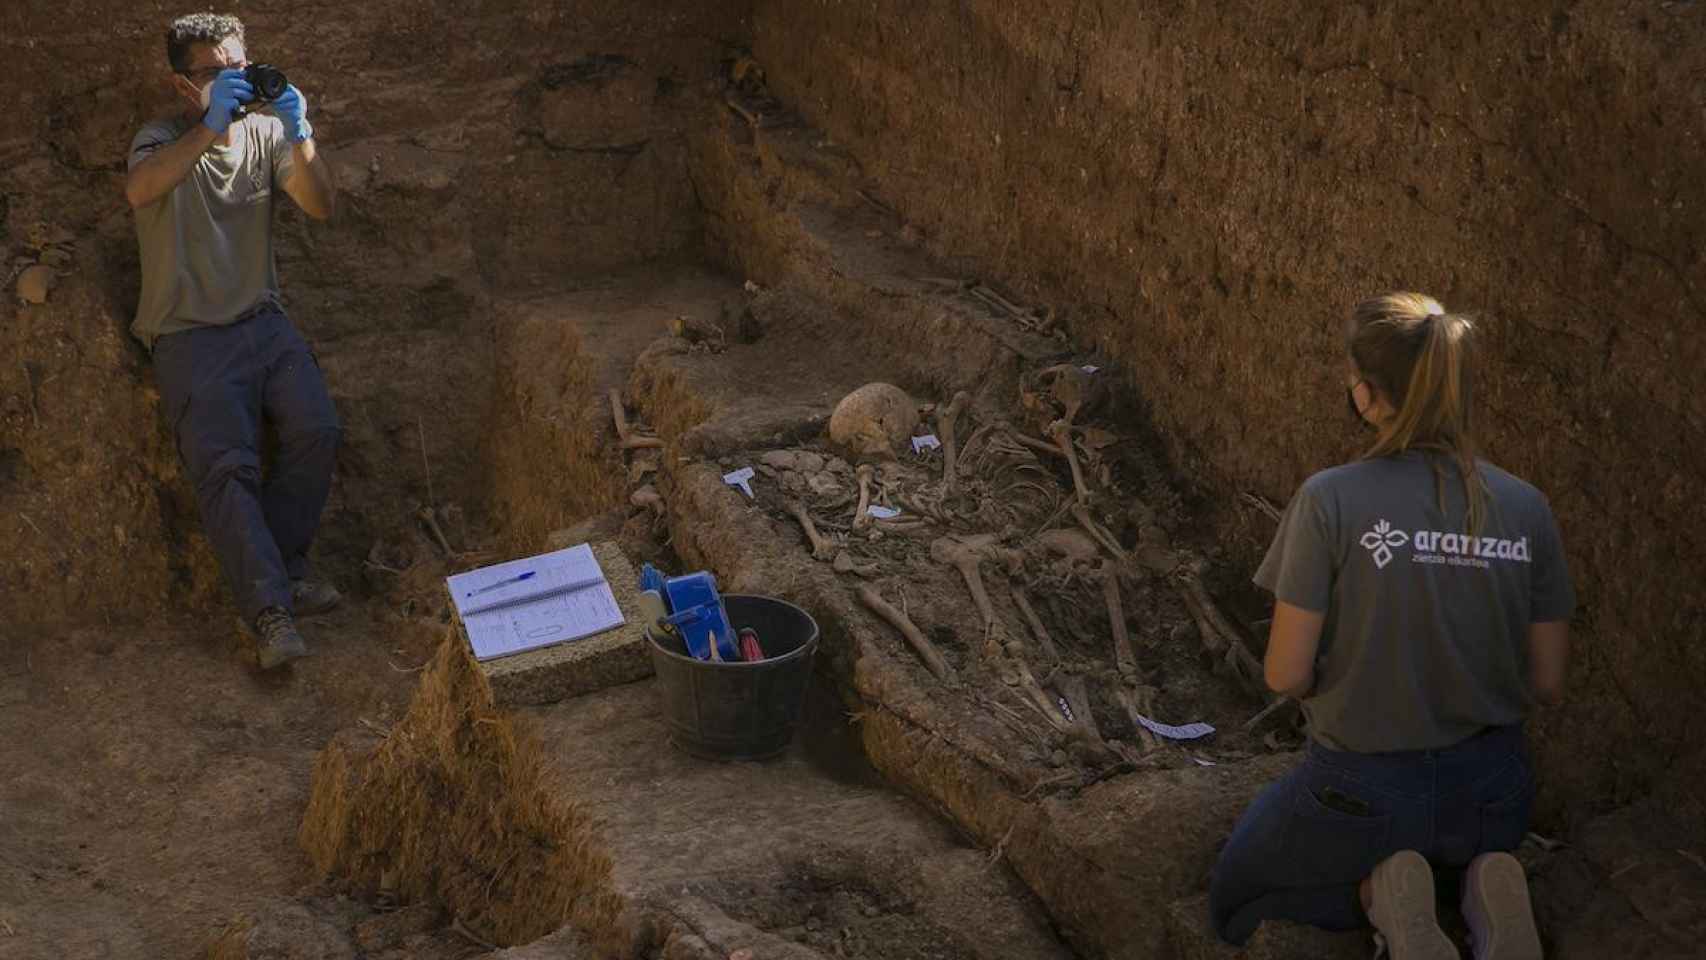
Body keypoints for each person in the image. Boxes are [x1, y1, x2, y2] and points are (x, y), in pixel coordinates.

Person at [1208, 293, 1573, 960]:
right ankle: (1483, 883)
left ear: (1368, 395)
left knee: (1235, 897)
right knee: (1457, 838)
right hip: (1495, 792)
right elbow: (1547, 681)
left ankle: (1379, 898)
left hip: (1362, 790)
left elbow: (1285, 673)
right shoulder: (1528, 508)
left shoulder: (1330, 499)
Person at [125, 13, 342, 670]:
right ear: (181, 83)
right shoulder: (160, 138)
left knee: (316, 429)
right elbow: (140, 189)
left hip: (261, 321)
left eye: (238, 70)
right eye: (213, 73)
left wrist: (299, 132)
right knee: (228, 471)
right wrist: (210, 125)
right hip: (189, 334)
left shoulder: (266, 134)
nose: (231, 82)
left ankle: (278, 570)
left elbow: (320, 205)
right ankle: (271, 610)